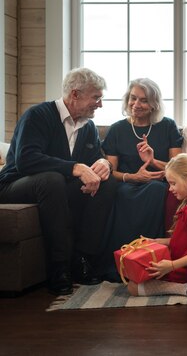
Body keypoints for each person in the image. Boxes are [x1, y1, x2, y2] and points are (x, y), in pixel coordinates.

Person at [0, 67, 117, 295]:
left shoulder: (88, 126)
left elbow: (95, 159)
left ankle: (82, 259)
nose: (100, 104)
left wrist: (105, 165)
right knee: (51, 180)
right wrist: (76, 168)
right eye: (96, 97)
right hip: (14, 184)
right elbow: (26, 160)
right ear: (75, 94)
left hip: (55, 187)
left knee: (109, 182)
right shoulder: (38, 115)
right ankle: (59, 267)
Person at [100, 78, 183, 279]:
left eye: (144, 100)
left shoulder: (167, 126)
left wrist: (153, 160)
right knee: (119, 193)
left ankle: (147, 259)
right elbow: (112, 171)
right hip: (127, 184)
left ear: (154, 104)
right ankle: (122, 261)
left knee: (156, 190)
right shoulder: (117, 129)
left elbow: (177, 167)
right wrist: (133, 176)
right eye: (133, 98)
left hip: (158, 184)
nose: (136, 104)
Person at [127, 153, 187, 297]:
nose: (170, 189)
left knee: (132, 287)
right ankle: (184, 286)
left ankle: (182, 288)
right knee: (134, 279)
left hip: (185, 269)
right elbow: (185, 240)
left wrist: (171, 266)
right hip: (179, 265)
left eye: (173, 183)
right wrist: (157, 242)